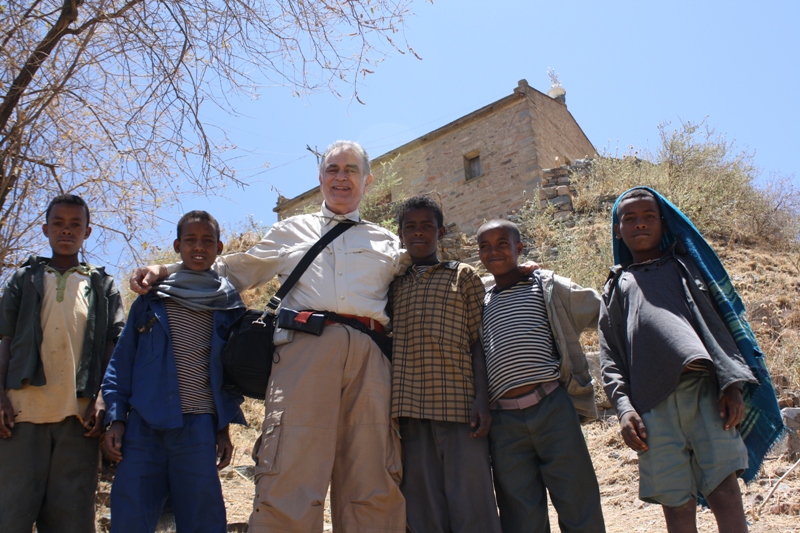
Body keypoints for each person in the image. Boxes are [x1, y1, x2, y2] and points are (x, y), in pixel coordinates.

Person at [129, 141, 407, 532]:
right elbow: (230, 270)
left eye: (351, 170)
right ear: (320, 177)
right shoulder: (292, 230)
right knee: (290, 471)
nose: (341, 177)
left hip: (372, 361)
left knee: (373, 477)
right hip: (305, 352)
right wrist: (164, 269)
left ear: (367, 180)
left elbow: (421, 284)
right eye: (332, 169)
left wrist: (515, 274)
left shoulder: (388, 241)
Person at [599, 187, 785, 533]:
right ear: (617, 229)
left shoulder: (685, 267)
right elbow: (610, 358)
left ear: (663, 222)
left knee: (726, 493)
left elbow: (718, 328)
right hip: (651, 407)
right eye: (630, 219)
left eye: (648, 217)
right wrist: (624, 409)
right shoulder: (616, 286)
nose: (640, 224)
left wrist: (731, 385)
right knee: (676, 505)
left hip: (706, 393)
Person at [102, 210, 247, 532]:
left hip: (198, 429)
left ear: (219, 247)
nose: (199, 247)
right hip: (143, 426)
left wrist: (223, 428)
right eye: (191, 240)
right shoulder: (151, 298)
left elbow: (230, 374)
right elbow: (122, 362)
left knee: (202, 519)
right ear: (177, 246)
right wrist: (116, 417)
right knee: (131, 517)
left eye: (207, 241)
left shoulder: (228, 304)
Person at [0, 194, 125, 532]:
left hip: (79, 417)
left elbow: (113, 347)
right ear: (45, 229)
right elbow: (6, 339)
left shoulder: (101, 284)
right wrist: (1, 396)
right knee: (11, 513)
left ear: (87, 231)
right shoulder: (23, 278)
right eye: (58, 224)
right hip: (22, 415)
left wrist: (102, 399)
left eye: (75, 225)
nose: (66, 231)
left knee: (71, 517)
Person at [477, 218, 605, 533]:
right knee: (521, 515)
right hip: (503, 423)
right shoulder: (478, 298)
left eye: (503, 244)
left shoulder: (544, 284)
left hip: (552, 407)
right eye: (485, 246)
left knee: (578, 501)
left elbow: (602, 311)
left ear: (519, 248)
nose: (494, 252)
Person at [389, 196, 501, 532]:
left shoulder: (462, 276)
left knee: (473, 505)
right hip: (411, 412)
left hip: (460, 409)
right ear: (401, 234)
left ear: (440, 232)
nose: (419, 233)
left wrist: (482, 399)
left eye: (427, 226)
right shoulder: (394, 285)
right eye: (411, 227)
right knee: (423, 511)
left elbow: (478, 340)